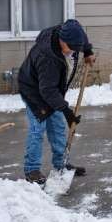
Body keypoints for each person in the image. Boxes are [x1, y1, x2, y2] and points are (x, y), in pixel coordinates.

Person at [18, 19, 96, 185]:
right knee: (38, 129)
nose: (73, 53)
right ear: (62, 40)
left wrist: (87, 51)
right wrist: (66, 111)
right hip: (34, 91)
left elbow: (81, 34)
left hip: (51, 89)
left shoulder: (71, 30)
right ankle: (31, 169)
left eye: (77, 49)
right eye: (71, 48)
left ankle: (61, 164)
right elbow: (47, 91)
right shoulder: (48, 57)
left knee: (58, 128)